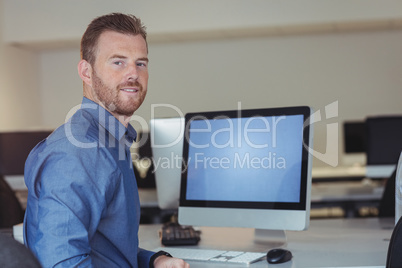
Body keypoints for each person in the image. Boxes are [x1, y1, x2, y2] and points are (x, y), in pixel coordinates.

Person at [23, 13, 189, 268]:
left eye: (141, 63)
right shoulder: (77, 152)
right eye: (118, 62)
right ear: (86, 72)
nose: (133, 73)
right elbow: (63, 263)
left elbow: (106, 248)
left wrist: (153, 261)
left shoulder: (112, 143)